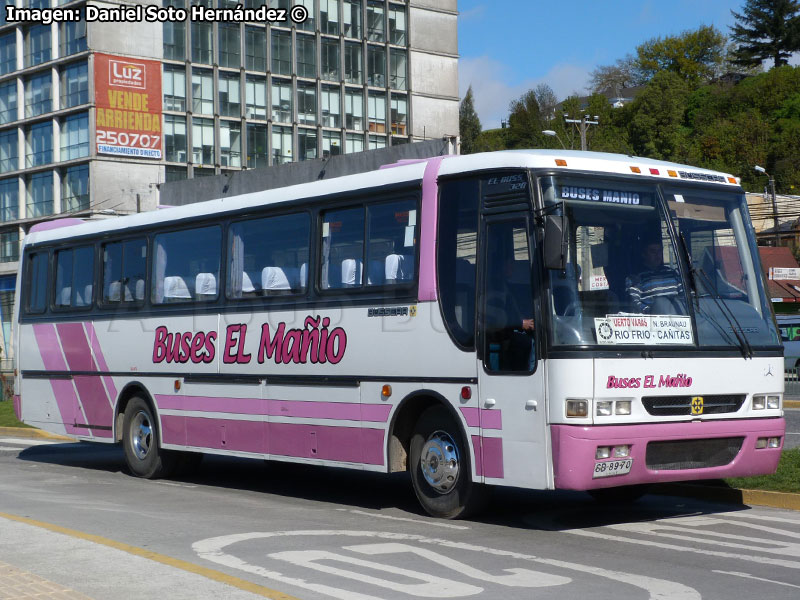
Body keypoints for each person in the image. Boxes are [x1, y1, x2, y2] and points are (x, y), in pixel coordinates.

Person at [625, 241, 684, 314]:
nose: (657, 255)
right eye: (653, 251)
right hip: (653, 322)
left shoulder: (673, 273)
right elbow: (635, 303)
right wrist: (653, 314)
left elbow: (684, 297)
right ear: (644, 254)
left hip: (680, 321)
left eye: (659, 251)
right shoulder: (635, 278)